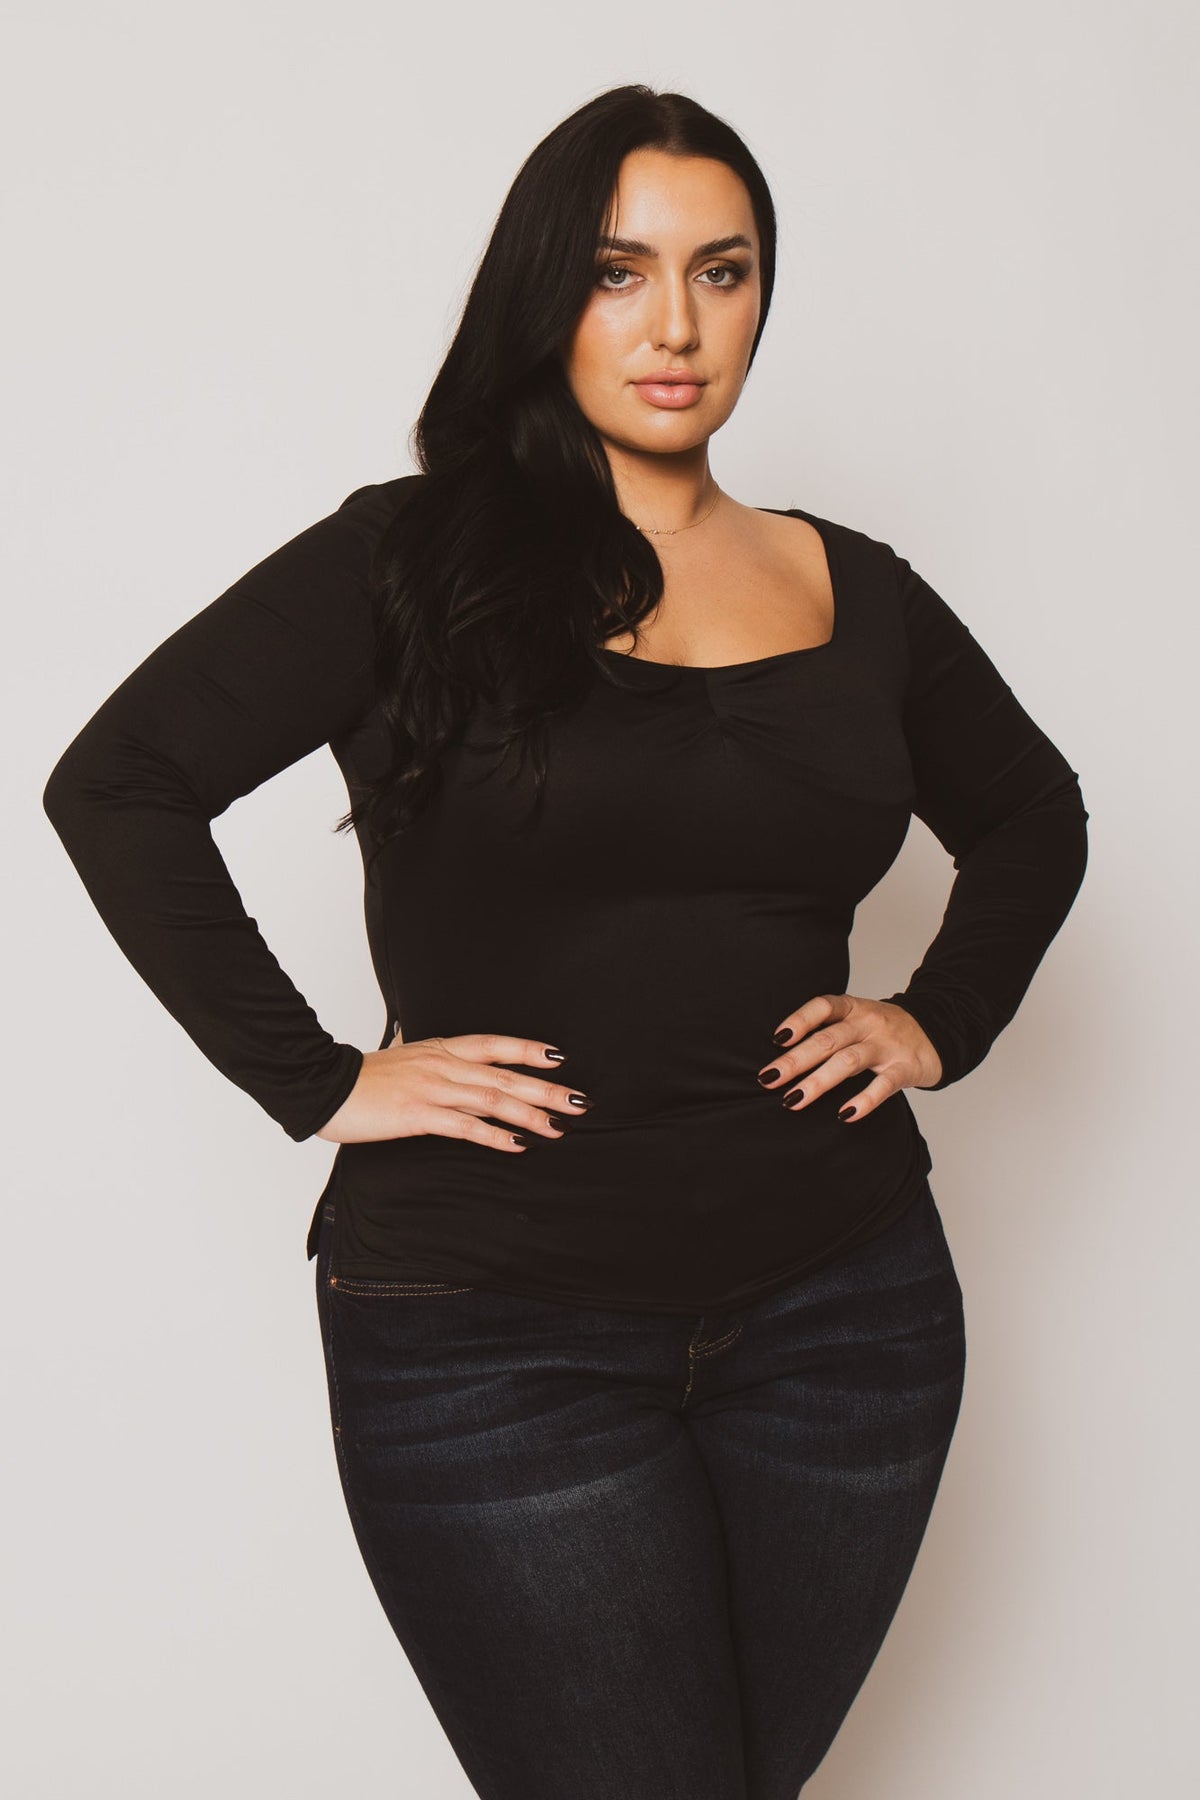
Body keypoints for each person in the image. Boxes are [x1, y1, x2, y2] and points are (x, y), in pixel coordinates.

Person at [42, 83, 1088, 1800]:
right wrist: (321, 1083)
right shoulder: (405, 563)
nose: (677, 324)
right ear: (547, 292)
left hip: (849, 1321)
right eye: (620, 272)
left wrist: (937, 1016)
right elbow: (120, 782)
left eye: (722, 271)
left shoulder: (861, 592)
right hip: (489, 1336)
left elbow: (1034, 811)